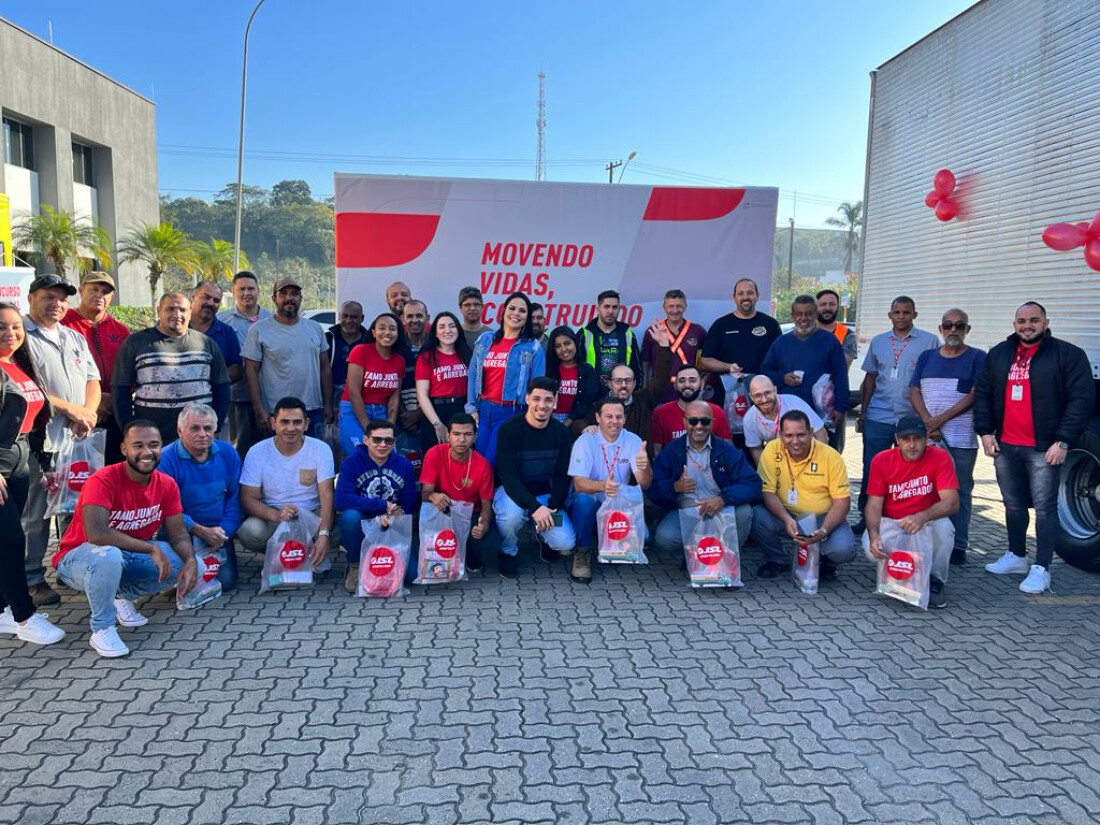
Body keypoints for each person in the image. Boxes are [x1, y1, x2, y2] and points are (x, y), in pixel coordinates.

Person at [974, 301, 1094, 594]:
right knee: (1013, 505)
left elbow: (1081, 399)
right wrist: (986, 433)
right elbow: (985, 394)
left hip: (1043, 447)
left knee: (1044, 509)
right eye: (1021, 321)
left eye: (1034, 320)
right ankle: (1017, 556)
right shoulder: (999, 354)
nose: (1027, 326)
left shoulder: (1067, 355)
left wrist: (1063, 440)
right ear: (1014, 324)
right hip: (1006, 445)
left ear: (1045, 322)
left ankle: (1042, 567)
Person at [53, 420, 199, 658]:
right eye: (138, 445)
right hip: (78, 559)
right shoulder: (103, 480)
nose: (146, 452)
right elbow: (97, 534)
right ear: (124, 449)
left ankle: (121, 595)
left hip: (125, 555)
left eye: (153, 445)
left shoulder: (166, 484)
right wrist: (150, 549)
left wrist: (191, 561)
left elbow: (178, 532)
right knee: (109, 554)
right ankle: (102, 628)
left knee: (192, 564)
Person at [23, 273, 101, 608]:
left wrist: (89, 413)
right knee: (36, 513)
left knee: (74, 509)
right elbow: (27, 388)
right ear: (31, 298)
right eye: (48, 297)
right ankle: (31, 579)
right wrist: (73, 411)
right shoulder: (19, 336)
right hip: (41, 441)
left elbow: (92, 379)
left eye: (61, 298)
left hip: (77, 440)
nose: (56, 304)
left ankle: (69, 568)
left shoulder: (73, 337)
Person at [0, 302, 66, 645]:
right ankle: (25, 617)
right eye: (2, 327)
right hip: (1, 462)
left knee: (6, 540)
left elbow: (32, 418)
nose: (10, 334)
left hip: (22, 458)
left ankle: (2, 611)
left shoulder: (18, 364)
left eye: (16, 327)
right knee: (11, 542)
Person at [909, 308, 986, 565]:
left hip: (961, 439)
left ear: (967, 329)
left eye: (960, 325)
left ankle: (958, 546)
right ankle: (926, 540)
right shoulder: (927, 357)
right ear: (940, 329)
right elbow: (914, 390)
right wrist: (928, 423)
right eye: (948, 325)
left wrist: (939, 420)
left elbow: (974, 394)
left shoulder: (977, 358)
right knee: (925, 489)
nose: (953, 330)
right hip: (927, 436)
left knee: (960, 491)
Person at [856, 296, 939, 523]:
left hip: (912, 417)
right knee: (873, 467)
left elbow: (933, 381)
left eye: (906, 312)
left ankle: (902, 515)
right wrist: (863, 413)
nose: (901, 316)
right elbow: (870, 377)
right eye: (897, 312)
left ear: (914, 314)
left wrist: (931, 419)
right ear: (890, 315)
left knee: (911, 470)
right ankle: (867, 518)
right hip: (879, 414)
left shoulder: (929, 341)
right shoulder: (879, 341)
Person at [863, 415, 959, 609]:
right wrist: (874, 534)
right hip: (893, 521)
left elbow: (952, 502)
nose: (912, 445)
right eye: (906, 439)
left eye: (917, 438)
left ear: (926, 439)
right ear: (897, 440)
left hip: (928, 520)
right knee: (870, 549)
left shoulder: (940, 457)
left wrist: (922, 517)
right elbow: (873, 505)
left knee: (945, 529)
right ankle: (896, 578)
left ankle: (935, 581)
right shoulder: (881, 460)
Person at [649, 399, 760, 561]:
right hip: (687, 511)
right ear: (684, 422)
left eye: (705, 421)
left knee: (744, 512)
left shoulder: (726, 450)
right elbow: (653, 488)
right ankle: (697, 557)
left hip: (720, 510)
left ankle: (727, 560)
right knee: (664, 537)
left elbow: (753, 483)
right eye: (693, 421)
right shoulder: (672, 451)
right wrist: (674, 486)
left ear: (712, 422)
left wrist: (723, 498)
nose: (699, 426)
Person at [751, 410, 857, 579]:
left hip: (822, 518)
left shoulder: (831, 456)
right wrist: (786, 518)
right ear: (780, 434)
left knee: (844, 549)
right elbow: (767, 492)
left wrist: (823, 530)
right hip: (788, 516)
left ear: (811, 433)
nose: (795, 441)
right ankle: (778, 559)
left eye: (801, 435)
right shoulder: (771, 450)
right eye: (789, 435)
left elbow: (842, 502)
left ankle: (823, 561)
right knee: (755, 515)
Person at [112, 291, 230, 442]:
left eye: (182, 310)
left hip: (198, 438)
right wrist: (129, 428)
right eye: (170, 309)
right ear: (158, 310)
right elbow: (120, 389)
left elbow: (222, 387)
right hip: (153, 438)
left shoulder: (206, 344)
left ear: (190, 312)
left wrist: (216, 425)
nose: (177, 314)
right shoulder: (135, 343)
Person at [492, 377, 576, 579]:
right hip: (512, 492)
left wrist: (551, 508)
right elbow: (508, 477)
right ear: (527, 399)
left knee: (565, 543)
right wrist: (535, 508)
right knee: (510, 518)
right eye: (536, 398)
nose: (542, 405)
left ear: (555, 402)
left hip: (545, 495)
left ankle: (544, 537)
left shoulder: (562, 433)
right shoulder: (509, 430)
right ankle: (508, 552)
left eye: (548, 400)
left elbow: (562, 476)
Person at [237, 397, 335, 565]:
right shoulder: (257, 452)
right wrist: (276, 514)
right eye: (284, 422)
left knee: (337, 530)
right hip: (275, 516)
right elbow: (247, 499)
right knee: (249, 531)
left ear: (306, 424)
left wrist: (324, 534)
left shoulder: (321, 449)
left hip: (310, 515)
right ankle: (280, 558)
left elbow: (327, 495)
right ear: (273, 423)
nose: (291, 428)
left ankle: (308, 554)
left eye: (297, 422)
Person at [157, 403, 243, 591]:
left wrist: (223, 532)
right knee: (176, 584)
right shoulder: (165, 460)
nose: (202, 434)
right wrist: (199, 530)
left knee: (225, 582)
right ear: (180, 431)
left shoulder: (228, 453)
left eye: (208, 428)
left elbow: (236, 499)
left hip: (218, 531)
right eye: (195, 428)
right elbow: (165, 508)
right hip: (180, 531)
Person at [567, 397, 652, 584]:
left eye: (619, 417)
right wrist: (602, 486)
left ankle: (603, 538)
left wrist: (644, 467)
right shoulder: (586, 440)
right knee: (583, 501)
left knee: (644, 536)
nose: (614, 421)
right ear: (598, 418)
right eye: (609, 416)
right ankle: (582, 552)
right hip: (592, 500)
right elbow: (579, 484)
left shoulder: (633, 440)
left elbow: (644, 484)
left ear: (624, 419)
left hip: (617, 504)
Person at [242, 276, 333, 439]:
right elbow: (250, 371)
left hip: (312, 411)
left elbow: (325, 367)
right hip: (275, 413)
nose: (289, 298)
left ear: (300, 298)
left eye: (294, 293)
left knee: (310, 460)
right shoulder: (259, 330)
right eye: (283, 293)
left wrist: (328, 404)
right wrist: (259, 409)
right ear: (274, 299)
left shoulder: (315, 328)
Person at [335, 419, 417, 593]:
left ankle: (383, 560)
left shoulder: (404, 465)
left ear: (394, 442)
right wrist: (381, 506)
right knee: (350, 517)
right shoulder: (351, 464)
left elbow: (409, 503)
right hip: (363, 522)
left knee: (412, 575)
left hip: (392, 523)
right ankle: (355, 563)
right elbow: (341, 499)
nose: (382, 445)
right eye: (377, 439)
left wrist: (397, 514)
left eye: (388, 440)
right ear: (366, 440)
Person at [466, 291, 545, 465]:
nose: (516, 313)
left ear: (527, 318)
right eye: (512, 308)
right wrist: (471, 407)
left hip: (511, 412)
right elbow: (472, 374)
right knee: (478, 459)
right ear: (504, 312)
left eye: (522, 311)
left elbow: (537, 386)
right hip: (483, 410)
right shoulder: (485, 339)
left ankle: (488, 493)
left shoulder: (532, 347)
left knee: (489, 462)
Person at [61, 271, 130, 463]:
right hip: (76, 415)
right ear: (81, 291)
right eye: (94, 289)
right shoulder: (63, 324)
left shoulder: (120, 330)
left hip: (113, 413)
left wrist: (110, 399)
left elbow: (130, 373)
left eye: (105, 291)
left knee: (112, 472)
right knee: (77, 478)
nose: (99, 295)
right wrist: (92, 401)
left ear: (111, 297)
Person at [420, 413, 500, 574]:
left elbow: (486, 505)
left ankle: (470, 554)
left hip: (469, 514)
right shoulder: (434, 454)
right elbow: (424, 494)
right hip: (443, 512)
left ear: (475, 437)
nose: (462, 440)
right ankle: (443, 560)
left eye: (468, 434)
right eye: (456, 434)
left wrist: (483, 525)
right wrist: (433, 495)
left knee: (491, 540)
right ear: (448, 436)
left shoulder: (483, 465)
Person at [761, 294, 849, 437]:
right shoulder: (781, 343)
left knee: (824, 455)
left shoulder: (830, 341)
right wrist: (783, 378)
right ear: (792, 315)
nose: (803, 318)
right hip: (788, 415)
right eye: (799, 314)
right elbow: (765, 372)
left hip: (821, 415)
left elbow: (841, 375)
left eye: (808, 314)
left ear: (816, 314)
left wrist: (841, 407)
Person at [217, 271, 272, 459]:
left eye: (251, 288)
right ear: (233, 292)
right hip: (238, 396)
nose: (246, 293)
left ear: (259, 291)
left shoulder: (271, 319)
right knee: (241, 448)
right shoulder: (222, 321)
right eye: (241, 289)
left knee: (269, 449)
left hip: (269, 396)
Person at [700, 278, 782, 394]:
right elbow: (706, 360)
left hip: (763, 393)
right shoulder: (721, 325)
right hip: (729, 395)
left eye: (750, 292)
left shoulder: (770, 324)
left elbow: (780, 359)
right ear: (734, 297)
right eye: (740, 293)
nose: (745, 297)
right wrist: (728, 367)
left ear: (757, 296)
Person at [340, 313, 404, 457]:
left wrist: (390, 427)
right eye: (382, 328)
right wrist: (370, 430)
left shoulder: (399, 360)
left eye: (392, 329)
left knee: (388, 455)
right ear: (374, 333)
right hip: (354, 411)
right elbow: (353, 392)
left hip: (382, 412)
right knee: (361, 454)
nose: (387, 332)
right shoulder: (360, 351)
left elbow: (394, 398)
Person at [606, 321, 676, 446]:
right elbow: (579, 424)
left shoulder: (645, 400)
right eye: (618, 381)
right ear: (609, 384)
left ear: (634, 384)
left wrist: (664, 346)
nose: (623, 385)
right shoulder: (600, 405)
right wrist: (586, 428)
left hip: (639, 462)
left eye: (628, 381)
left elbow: (661, 378)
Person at [189, 281, 242, 437]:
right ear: (193, 296)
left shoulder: (226, 332)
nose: (210, 303)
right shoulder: (177, 328)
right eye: (206, 297)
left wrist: (210, 381)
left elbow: (237, 368)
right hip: (177, 411)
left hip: (214, 410)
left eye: (216, 300)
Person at [416, 311, 471, 453]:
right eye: (442, 327)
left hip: (462, 411)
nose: (447, 330)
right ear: (435, 333)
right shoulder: (426, 357)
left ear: (458, 330)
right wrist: (437, 424)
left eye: (452, 326)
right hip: (436, 412)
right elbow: (422, 394)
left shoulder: (466, 354)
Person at [641, 289, 707, 404]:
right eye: (671, 306)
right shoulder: (653, 331)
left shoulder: (697, 331)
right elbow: (645, 364)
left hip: (689, 391)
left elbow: (708, 360)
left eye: (679, 306)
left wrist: (703, 380)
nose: (675, 310)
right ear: (664, 307)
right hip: (660, 392)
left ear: (685, 307)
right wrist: (645, 389)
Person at [743, 375, 826, 464]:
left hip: (806, 455)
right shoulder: (749, 419)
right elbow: (756, 449)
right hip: (778, 460)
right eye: (758, 395)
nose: (764, 400)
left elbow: (820, 432)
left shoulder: (795, 403)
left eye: (767, 393)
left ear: (775, 390)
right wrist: (767, 474)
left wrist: (818, 464)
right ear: (751, 397)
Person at [650, 364, 733, 454]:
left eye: (692, 380)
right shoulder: (661, 413)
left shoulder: (716, 412)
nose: (687, 385)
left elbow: (729, 451)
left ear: (701, 384)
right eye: (682, 381)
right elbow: (657, 452)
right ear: (675, 385)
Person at [577, 290, 642, 386]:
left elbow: (637, 368)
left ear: (619, 308)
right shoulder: (585, 333)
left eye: (614, 307)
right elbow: (576, 367)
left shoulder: (627, 333)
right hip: (593, 394)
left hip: (621, 392)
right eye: (606, 306)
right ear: (598, 308)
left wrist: (636, 394)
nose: (610, 311)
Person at [545, 326, 599, 435]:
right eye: (558, 346)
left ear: (575, 343)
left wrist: (568, 421)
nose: (564, 349)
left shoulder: (587, 370)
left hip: (576, 423)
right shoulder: (548, 369)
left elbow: (587, 402)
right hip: (548, 421)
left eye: (567, 343)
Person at [395, 299, 430, 467]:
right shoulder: (396, 346)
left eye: (419, 315)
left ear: (427, 318)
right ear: (403, 319)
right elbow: (391, 383)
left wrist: (419, 412)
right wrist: (405, 415)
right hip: (402, 419)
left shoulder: (435, 345)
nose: (414, 320)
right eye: (410, 316)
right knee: (407, 466)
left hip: (430, 416)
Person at [325, 300, 367, 412]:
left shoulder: (370, 342)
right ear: (339, 316)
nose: (349, 320)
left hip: (361, 399)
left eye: (354, 317)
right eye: (345, 316)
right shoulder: (327, 339)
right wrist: (327, 405)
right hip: (330, 399)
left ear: (362, 318)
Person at [816, 289, 857, 368]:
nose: (827, 308)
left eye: (832, 304)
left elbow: (841, 367)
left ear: (838, 306)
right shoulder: (804, 332)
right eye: (823, 304)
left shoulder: (847, 335)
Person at [458, 286, 492, 351]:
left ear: (482, 306)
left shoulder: (491, 335)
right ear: (460, 307)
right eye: (467, 305)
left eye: (476, 304)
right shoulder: (453, 335)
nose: (472, 308)